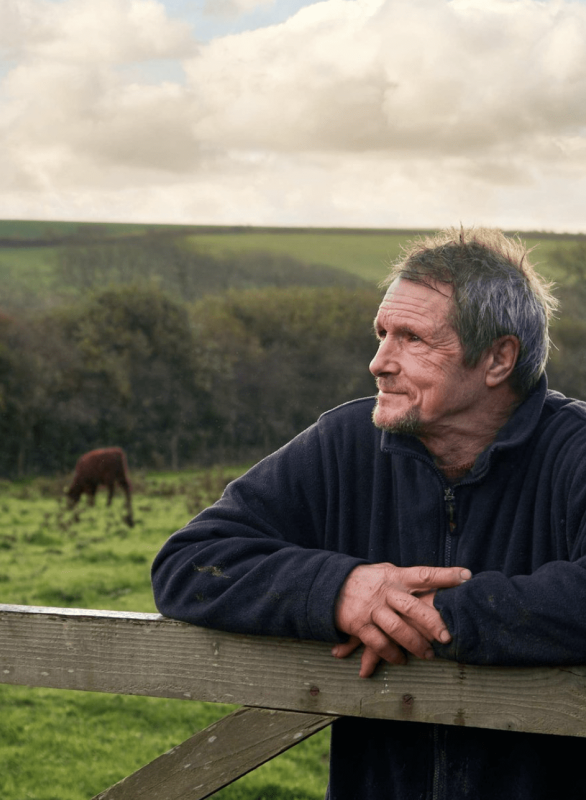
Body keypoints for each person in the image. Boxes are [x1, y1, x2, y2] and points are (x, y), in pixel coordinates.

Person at [151, 227, 586, 798]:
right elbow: (188, 563)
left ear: (499, 359)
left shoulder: (574, 452)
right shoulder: (346, 443)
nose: (379, 362)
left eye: (412, 339)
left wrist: (440, 615)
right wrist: (342, 590)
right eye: (382, 333)